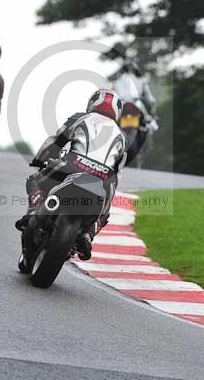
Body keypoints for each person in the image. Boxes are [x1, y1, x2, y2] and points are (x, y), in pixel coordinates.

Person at [15, 89, 127, 261]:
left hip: (72, 165)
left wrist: (39, 160)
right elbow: (117, 173)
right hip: (103, 178)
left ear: (93, 103)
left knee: (33, 180)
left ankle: (33, 210)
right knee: (105, 210)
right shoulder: (122, 136)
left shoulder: (79, 118)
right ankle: (87, 235)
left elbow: (55, 142)